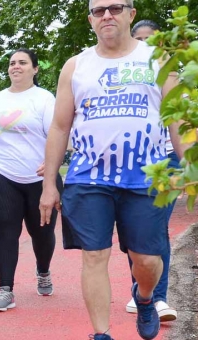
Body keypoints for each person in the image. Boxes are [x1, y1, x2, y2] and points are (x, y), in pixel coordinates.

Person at [39, 1, 185, 339]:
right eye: (99, 10)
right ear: (90, 19)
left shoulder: (159, 59)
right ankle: (101, 333)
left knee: (146, 260)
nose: (107, 15)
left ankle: (145, 298)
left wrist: (190, 166)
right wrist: (50, 183)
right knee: (94, 255)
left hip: (147, 176)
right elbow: (60, 128)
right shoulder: (76, 66)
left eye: (115, 8)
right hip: (88, 176)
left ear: (130, 14)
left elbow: (177, 117)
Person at [0, 48, 62, 312]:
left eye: (23, 63)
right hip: (1, 175)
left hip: (39, 179)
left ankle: (43, 271)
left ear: (35, 69)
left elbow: (59, 134)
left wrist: (52, 165)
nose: (16, 67)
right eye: (12, 63)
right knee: (6, 233)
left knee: (42, 234)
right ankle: (6, 290)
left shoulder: (44, 99)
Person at [122, 19, 177, 322]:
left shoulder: (175, 77)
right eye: (138, 39)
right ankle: (140, 288)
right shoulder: (125, 77)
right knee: (134, 232)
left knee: (156, 229)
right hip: (135, 162)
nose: (145, 45)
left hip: (168, 160)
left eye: (151, 40)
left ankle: (157, 299)